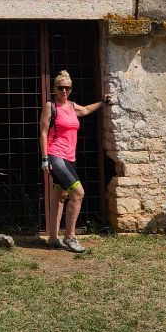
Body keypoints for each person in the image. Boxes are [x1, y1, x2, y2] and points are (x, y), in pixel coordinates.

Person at [39, 70, 114, 253]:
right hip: (56, 156)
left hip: (69, 157)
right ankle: (70, 237)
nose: (64, 91)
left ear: (71, 89)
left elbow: (87, 109)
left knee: (60, 196)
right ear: (55, 89)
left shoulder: (71, 106)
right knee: (78, 193)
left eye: (67, 88)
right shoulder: (51, 106)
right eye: (61, 88)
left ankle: (53, 238)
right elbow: (43, 131)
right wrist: (44, 158)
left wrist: (103, 102)